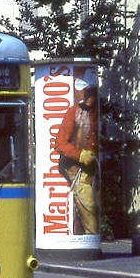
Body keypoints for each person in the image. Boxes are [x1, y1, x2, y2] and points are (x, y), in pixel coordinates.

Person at [57, 82, 99, 235]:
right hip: (75, 168)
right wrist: (80, 155)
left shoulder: (97, 113)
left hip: (93, 169)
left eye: (91, 92)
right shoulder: (73, 112)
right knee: (88, 204)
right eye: (85, 92)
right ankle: (90, 235)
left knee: (94, 204)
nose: (88, 96)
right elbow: (60, 143)